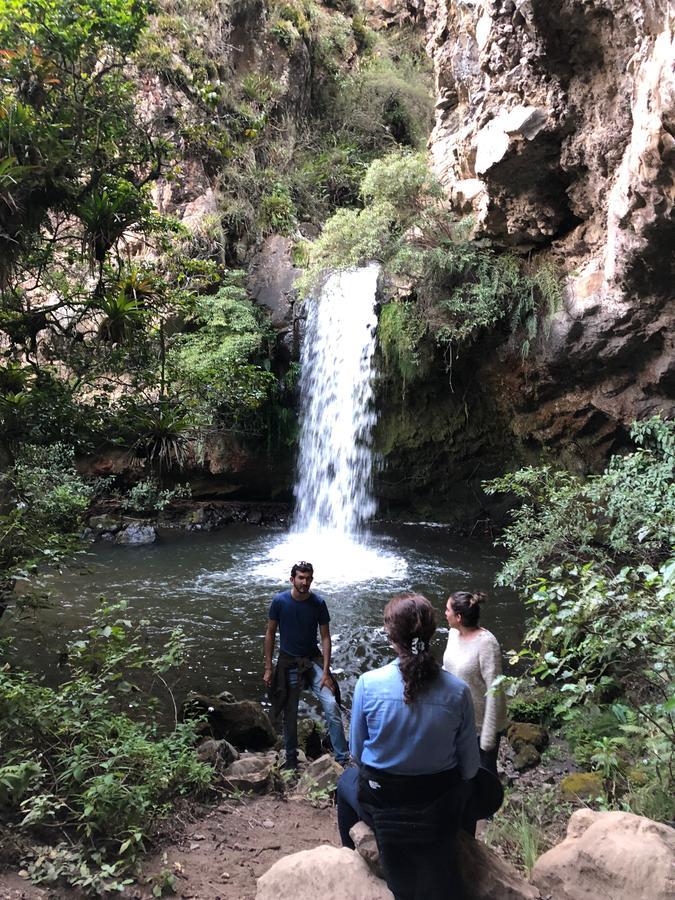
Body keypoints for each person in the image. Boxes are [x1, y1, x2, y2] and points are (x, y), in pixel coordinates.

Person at [336, 593, 480, 900]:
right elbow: (469, 768)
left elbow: (358, 755)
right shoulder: (457, 692)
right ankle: (462, 845)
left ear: (391, 636)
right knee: (472, 786)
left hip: (383, 803)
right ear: (431, 634)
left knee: (345, 782)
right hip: (437, 807)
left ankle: (354, 860)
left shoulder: (368, 684)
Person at [263, 561, 349, 770]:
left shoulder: (318, 603)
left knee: (330, 704)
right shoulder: (280, 602)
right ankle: (291, 760)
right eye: (301, 578)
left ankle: (342, 759)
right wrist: (268, 668)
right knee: (289, 712)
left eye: (308, 578)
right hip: (288, 662)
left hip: (312, 662)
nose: (305, 582)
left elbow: (325, 637)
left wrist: (326, 673)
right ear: (292, 579)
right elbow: (270, 633)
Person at [443, 591, 508, 776]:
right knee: (460, 771)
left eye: (447, 609)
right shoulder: (452, 634)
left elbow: (495, 691)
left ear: (459, 616)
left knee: (484, 775)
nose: (444, 613)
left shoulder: (487, 644)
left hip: (482, 722)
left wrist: (488, 736)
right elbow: (447, 669)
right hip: (457, 718)